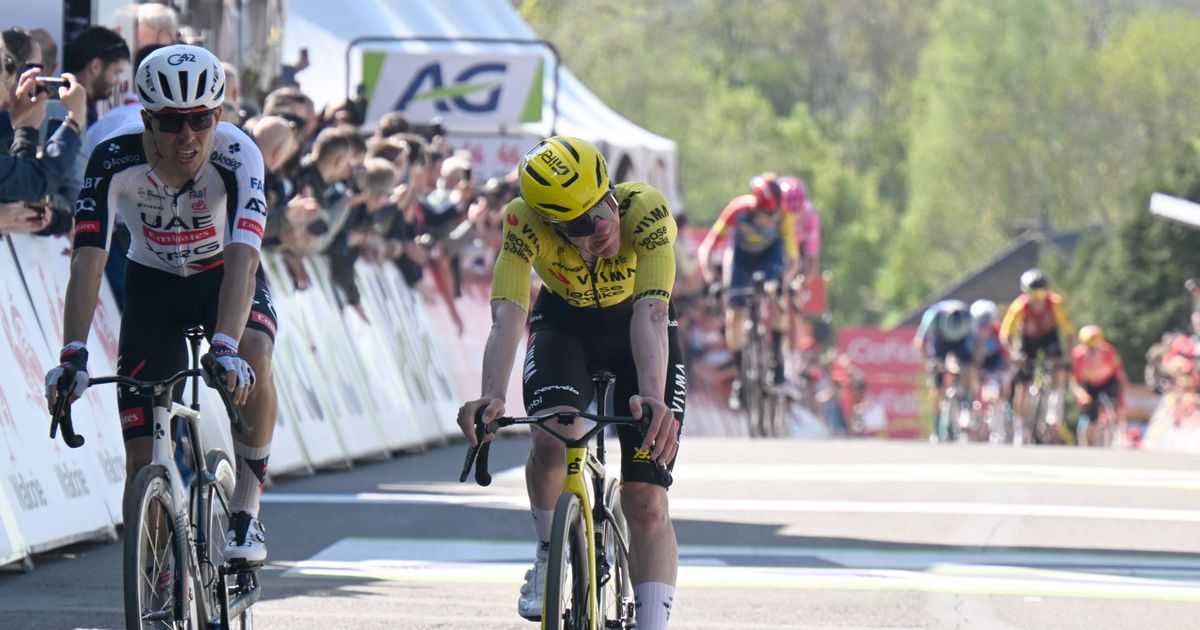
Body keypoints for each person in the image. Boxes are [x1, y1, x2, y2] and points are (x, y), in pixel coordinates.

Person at [44, 45, 277, 567]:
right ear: (147, 118)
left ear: (219, 114)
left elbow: (243, 259)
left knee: (254, 353)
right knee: (140, 459)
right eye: (171, 122)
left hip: (221, 279)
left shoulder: (239, 154)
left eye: (201, 119)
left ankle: (246, 507)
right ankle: (158, 577)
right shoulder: (114, 158)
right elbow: (88, 260)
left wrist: (225, 345)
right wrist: (73, 353)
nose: (187, 135)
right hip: (152, 287)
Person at [456, 136, 683, 629]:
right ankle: (546, 555)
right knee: (551, 438)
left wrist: (651, 394)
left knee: (646, 501)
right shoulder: (523, 221)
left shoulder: (645, 210)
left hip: (638, 329)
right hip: (565, 325)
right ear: (551, 225)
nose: (599, 229)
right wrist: (492, 394)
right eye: (579, 226)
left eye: (603, 209)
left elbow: (652, 312)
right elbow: (508, 313)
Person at [697, 173, 798, 409]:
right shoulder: (738, 210)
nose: (773, 220)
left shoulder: (784, 216)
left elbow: (793, 260)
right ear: (756, 208)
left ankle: (777, 364)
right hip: (741, 259)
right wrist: (711, 279)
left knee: (777, 294)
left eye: (776, 215)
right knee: (735, 314)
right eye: (768, 215)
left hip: (770, 257)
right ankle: (741, 377)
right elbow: (707, 247)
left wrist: (784, 280)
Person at [1000, 268, 1075, 428]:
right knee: (1023, 384)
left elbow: (1068, 332)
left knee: (1058, 364)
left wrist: (1068, 359)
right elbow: (1005, 334)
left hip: (1049, 337)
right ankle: (1019, 425)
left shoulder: (1055, 303)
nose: (1037, 299)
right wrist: (1013, 354)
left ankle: (1055, 399)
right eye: (1033, 294)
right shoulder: (1019, 306)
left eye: (1041, 294)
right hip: (1028, 340)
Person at [914, 299, 974, 441]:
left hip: (961, 342)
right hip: (940, 343)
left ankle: (966, 406)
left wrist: (973, 365)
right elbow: (920, 342)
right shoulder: (933, 315)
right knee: (937, 385)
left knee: (969, 371)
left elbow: (976, 341)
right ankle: (936, 426)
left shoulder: (968, 316)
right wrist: (929, 362)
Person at [1070, 325, 1129, 445]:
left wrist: (1121, 399)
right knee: (1091, 415)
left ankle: (1114, 433)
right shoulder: (1077, 355)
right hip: (1090, 385)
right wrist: (1081, 394)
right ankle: (1089, 443)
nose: (1092, 350)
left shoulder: (1109, 351)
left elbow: (1120, 372)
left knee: (1114, 405)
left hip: (1109, 381)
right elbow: (1074, 380)